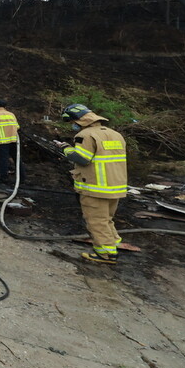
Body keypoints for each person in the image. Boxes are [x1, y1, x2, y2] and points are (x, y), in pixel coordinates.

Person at [58, 103, 128, 265]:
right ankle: (114, 243)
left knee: (96, 221)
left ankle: (106, 254)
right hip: (115, 186)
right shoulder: (115, 134)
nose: (72, 126)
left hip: (95, 188)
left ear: (78, 120)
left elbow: (82, 158)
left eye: (71, 122)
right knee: (107, 219)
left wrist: (66, 149)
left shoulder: (86, 135)